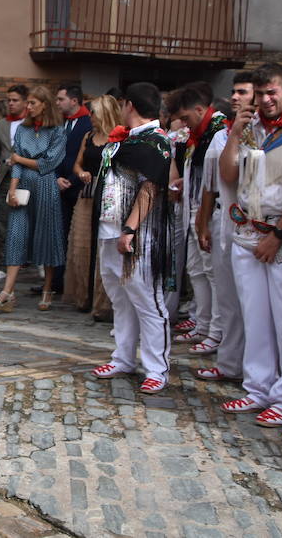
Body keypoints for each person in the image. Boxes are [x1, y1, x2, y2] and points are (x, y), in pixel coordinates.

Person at [219, 62, 282, 426]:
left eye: (270, 92)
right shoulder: (250, 129)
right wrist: (235, 131)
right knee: (255, 317)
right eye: (259, 94)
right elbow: (229, 176)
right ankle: (258, 387)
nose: (264, 100)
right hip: (247, 231)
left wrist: (278, 236)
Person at [90, 82, 175, 393]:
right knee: (120, 298)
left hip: (139, 235)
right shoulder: (129, 138)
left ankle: (156, 368)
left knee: (147, 301)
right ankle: (123, 357)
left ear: (129, 105)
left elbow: (150, 186)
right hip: (109, 229)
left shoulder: (157, 141)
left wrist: (131, 228)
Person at [193, 72, 254, 385]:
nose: (234, 97)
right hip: (223, 219)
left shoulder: (263, 133)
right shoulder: (222, 134)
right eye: (233, 91)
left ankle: (254, 370)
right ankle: (229, 361)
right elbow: (211, 183)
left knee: (251, 302)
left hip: (253, 223)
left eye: (242, 91)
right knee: (227, 296)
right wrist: (203, 221)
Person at [0, 86, 66, 312]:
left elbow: (48, 164)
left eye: (33, 103)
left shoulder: (57, 131)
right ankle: (7, 292)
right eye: (28, 103)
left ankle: (47, 288)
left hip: (46, 187)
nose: (28, 107)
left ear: (45, 105)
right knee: (15, 236)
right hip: (23, 187)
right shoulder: (23, 130)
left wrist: (19, 159)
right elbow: (15, 166)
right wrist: (12, 191)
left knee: (47, 236)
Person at [167, 82, 230, 356]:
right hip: (193, 207)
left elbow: (213, 180)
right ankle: (203, 323)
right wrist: (185, 180)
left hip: (208, 211)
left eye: (185, 117)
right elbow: (200, 172)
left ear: (200, 109)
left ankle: (216, 330)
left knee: (212, 273)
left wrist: (202, 217)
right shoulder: (200, 133)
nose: (183, 123)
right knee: (197, 270)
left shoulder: (218, 132)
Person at [62, 95, 119, 317]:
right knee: (82, 247)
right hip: (87, 194)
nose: (90, 117)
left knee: (104, 249)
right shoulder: (88, 136)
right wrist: (81, 173)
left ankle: (103, 302)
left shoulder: (117, 138)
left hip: (108, 197)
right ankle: (83, 296)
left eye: (93, 112)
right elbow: (77, 164)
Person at [52, 85, 93, 294]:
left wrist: (70, 179)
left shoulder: (88, 123)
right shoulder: (62, 124)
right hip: (60, 185)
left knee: (77, 238)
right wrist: (56, 177)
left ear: (74, 101)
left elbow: (85, 156)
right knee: (59, 234)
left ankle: (75, 283)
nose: (57, 103)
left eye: (61, 99)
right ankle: (56, 282)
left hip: (78, 186)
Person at [0, 84, 29, 280]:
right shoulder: (2, 125)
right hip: (5, 178)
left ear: (25, 101)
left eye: (15, 100)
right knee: (5, 222)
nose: (11, 104)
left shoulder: (32, 123)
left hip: (28, 178)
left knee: (29, 220)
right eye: (9, 100)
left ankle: (33, 261)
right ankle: (5, 265)